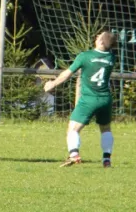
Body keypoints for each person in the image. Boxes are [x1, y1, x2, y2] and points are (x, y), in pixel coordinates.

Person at [44, 31, 117, 168]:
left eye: (99, 36)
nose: (96, 37)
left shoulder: (85, 56)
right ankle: (106, 159)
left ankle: (74, 155)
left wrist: (52, 84)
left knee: (73, 129)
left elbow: (67, 73)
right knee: (106, 129)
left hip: (89, 98)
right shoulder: (111, 58)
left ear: (101, 42)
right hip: (105, 99)